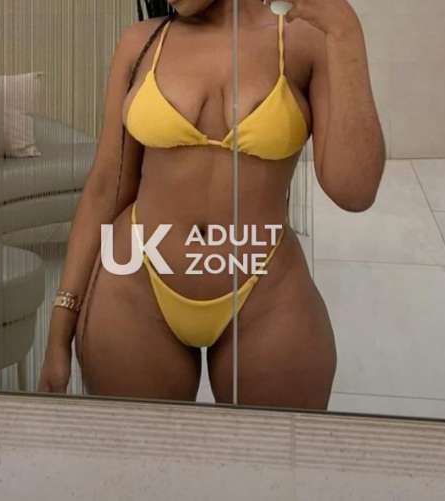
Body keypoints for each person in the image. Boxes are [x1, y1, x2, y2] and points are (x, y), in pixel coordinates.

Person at [38, 0, 385, 409]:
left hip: (264, 289)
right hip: (135, 283)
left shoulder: (304, 41)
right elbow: (105, 189)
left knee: (274, 448)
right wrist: (61, 323)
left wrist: (345, 32)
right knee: (141, 449)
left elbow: (354, 192)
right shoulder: (141, 43)